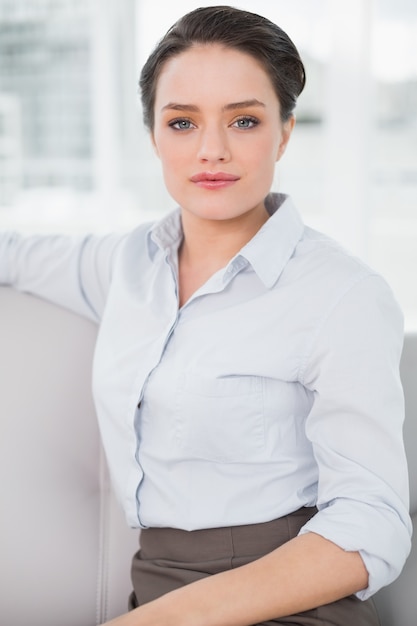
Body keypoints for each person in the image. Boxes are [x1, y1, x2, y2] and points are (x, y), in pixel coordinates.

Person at [0, 5, 412, 626]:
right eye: (183, 122)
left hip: (292, 600)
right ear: (154, 136)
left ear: (285, 131)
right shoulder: (125, 263)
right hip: (158, 592)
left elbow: (374, 521)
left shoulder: (342, 293)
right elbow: (14, 256)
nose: (212, 150)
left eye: (244, 120)